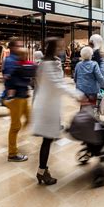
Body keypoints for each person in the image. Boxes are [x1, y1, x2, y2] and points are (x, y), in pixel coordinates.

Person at [32, 38, 85, 185]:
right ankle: (41, 171)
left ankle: (42, 170)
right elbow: (57, 84)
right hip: (47, 108)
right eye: (60, 46)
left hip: (47, 105)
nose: (62, 48)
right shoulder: (50, 64)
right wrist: (77, 95)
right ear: (54, 48)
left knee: (48, 140)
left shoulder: (45, 62)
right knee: (47, 140)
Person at [5, 47, 36, 162]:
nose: (26, 56)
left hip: (23, 98)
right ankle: (12, 154)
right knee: (15, 126)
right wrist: (10, 94)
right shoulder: (18, 67)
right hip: (16, 99)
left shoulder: (24, 66)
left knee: (28, 119)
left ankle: (16, 137)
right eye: (25, 54)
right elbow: (9, 82)